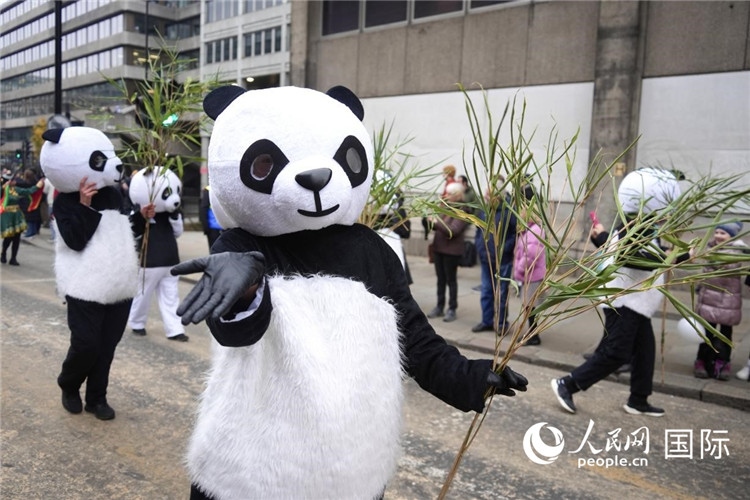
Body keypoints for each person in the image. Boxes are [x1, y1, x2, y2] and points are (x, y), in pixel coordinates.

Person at [551, 167, 690, 417]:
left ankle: (638, 399)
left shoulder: (642, 226)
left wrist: (601, 237)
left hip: (637, 303)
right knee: (616, 353)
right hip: (623, 301)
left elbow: (615, 248)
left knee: (645, 353)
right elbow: (635, 259)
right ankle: (567, 384)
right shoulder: (635, 225)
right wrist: (679, 256)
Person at [693, 221, 746, 380]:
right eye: (717, 232)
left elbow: (728, 268)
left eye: (723, 233)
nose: (718, 236)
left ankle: (722, 363)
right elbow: (705, 272)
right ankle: (702, 361)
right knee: (706, 333)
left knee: (725, 334)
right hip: (709, 298)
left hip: (727, 302)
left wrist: (719, 257)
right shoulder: (710, 248)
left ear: (732, 237)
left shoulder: (736, 251)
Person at [472, 180, 517, 333]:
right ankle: (486, 321)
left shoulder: (508, 210)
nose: (485, 195)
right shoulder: (484, 210)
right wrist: (479, 245)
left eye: (488, 193)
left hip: (503, 260)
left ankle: (502, 324)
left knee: (501, 294)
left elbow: (515, 234)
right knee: (486, 291)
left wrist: (504, 248)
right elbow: (478, 229)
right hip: (486, 259)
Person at [426, 182, 469, 323]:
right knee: (440, 280)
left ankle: (452, 309)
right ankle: (439, 306)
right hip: (439, 248)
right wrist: (428, 220)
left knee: (451, 280)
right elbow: (437, 227)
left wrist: (436, 222)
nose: (446, 196)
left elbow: (453, 230)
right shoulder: (445, 206)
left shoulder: (462, 210)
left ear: (457, 195)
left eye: (449, 194)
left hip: (451, 251)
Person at [514, 203, 546, 345]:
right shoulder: (531, 229)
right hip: (530, 275)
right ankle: (532, 334)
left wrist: (520, 269)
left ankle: (533, 336)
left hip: (531, 276)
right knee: (530, 306)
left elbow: (531, 255)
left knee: (530, 306)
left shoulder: (535, 231)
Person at [1, 172, 44, 265]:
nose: (11, 182)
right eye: (9, 180)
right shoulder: (3, 190)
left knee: (17, 238)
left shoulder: (16, 189)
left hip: (17, 215)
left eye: (11, 180)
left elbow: (27, 191)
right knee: (8, 238)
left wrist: (38, 186)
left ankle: (13, 258)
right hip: (7, 216)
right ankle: (3, 253)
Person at [19, 169, 44, 239]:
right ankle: (33, 231)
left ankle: (30, 233)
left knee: (29, 219)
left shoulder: (26, 183)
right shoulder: (36, 182)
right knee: (33, 219)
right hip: (36, 202)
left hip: (28, 202)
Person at [199, 184, 223, 250]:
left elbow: (203, 209)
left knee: (214, 252)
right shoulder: (226, 188)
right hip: (222, 227)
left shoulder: (208, 190)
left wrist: (205, 227)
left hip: (213, 227)